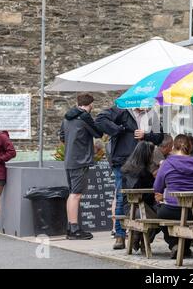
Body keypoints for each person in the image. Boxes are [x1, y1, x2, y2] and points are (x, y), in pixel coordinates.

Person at [95, 107, 163, 250]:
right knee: (122, 197)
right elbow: (100, 120)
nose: (146, 105)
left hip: (144, 162)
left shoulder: (152, 114)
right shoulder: (121, 111)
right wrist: (119, 129)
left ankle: (141, 234)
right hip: (123, 161)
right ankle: (120, 235)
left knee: (147, 197)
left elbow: (159, 136)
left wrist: (146, 135)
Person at [154, 134, 193, 258]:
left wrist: (163, 195)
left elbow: (157, 187)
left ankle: (175, 245)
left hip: (171, 210)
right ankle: (183, 247)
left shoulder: (167, 164)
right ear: (191, 147)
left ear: (174, 146)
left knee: (159, 213)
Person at [59, 93, 103, 240]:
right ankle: (74, 229)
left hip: (69, 160)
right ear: (90, 104)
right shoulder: (85, 116)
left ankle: (71, 227)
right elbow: (98, 133)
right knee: (76, 194)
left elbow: (62, 137)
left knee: (72, 193)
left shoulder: (67, 117)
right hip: (80, 161)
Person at [121, 141, 156, 251]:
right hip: (140, 209)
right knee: (160, 217)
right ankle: (143, 242)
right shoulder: (144, 173)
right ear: (147, 155)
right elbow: (149, 195)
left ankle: (137, 235)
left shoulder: (126, 169)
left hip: (128, 208)